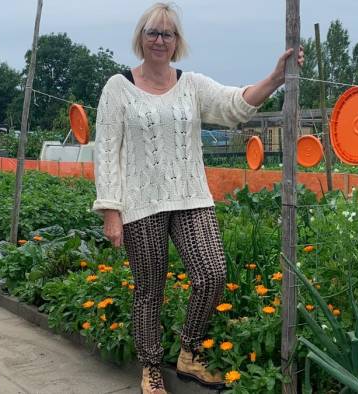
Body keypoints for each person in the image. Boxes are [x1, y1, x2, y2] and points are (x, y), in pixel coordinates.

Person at [92, 3, 304, 393]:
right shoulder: (117, 87)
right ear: (141, 38)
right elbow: (106, 151)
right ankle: (151, 367)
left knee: (212, 273)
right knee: (149, 289)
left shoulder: (191, 85)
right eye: (153, 33)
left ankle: (189, 352)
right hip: (141, 204)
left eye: (167, 34)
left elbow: (234, 104)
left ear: (177, 42)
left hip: (191, 197)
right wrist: (111, 210)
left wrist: (275, 77)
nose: (160, 40)